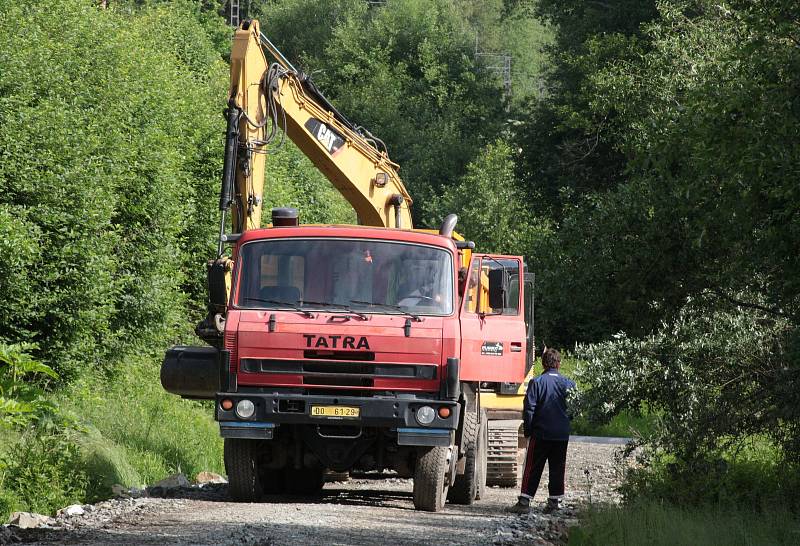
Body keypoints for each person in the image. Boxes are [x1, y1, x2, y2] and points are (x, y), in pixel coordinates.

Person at [507, 347, 576, 514]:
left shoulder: (537, 382)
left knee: (533, 467)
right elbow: (574, 408)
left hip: (541, 433)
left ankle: (524, 501)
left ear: (544, 363)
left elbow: (529, 408)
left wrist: (528, 430)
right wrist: (566, 423)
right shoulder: (568, 384)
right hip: (561, 434)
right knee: (558, 467)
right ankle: (554, 501)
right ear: (559, 364)